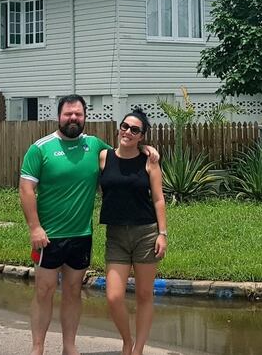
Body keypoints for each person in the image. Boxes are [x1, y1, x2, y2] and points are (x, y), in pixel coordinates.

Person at [19, 95, 158, 355]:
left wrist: (146, 149)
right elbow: (26, 189)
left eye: (78, 114)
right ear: (58, 115)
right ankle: (37, 348)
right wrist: (35, 228)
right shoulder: (40, 148)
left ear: (85, 117)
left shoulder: (94, 146)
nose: (73, 118)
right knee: (44, 290)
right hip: (48, 236)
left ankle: (69, 346)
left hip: (82, 235)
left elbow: (124, 152)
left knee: (73, 291)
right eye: (68, 114)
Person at [98, 108, 167, 355]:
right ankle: (127, 341)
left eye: (134, 129)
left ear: (142, 136)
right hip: (116, 235)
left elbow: (158, 199)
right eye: (125, 126)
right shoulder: (104, 157)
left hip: (145, 234)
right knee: (114, 297)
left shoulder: (149, 161)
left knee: (144, 295)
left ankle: (137, 350)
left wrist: (163, 233)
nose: (127, 132)